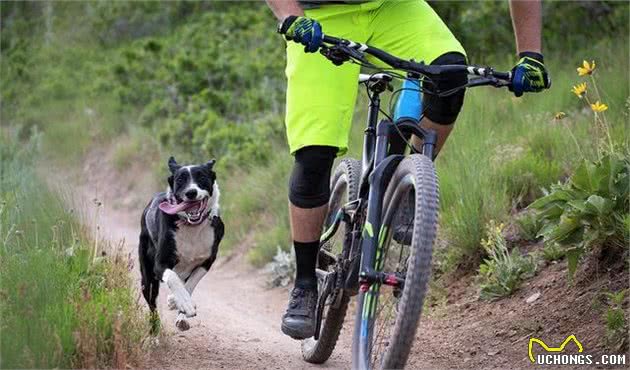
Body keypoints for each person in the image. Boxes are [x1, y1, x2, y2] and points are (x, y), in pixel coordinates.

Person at [265, 0, 550, 340]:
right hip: (323, 15)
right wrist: (291, 16)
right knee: (314, 154)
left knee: (450, 74)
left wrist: (531, 54)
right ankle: (305, 285)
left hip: (394, 8)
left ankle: (403, 182)